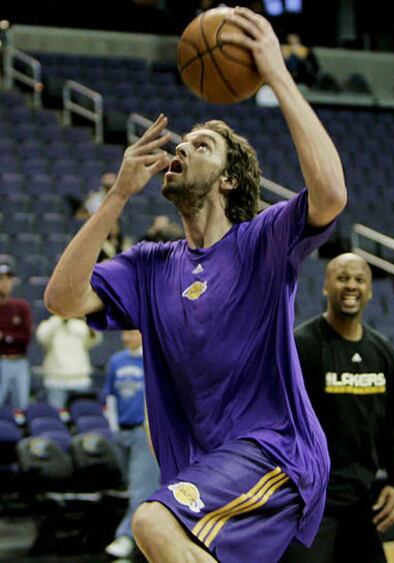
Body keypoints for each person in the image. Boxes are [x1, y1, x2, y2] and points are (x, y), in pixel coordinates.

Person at [44, 6, 347, 562]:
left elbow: (329, 194)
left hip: (275, 451)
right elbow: (62, 298)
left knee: (153, 522)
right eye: (182, 142)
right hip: (207, 467)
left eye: (201, 144)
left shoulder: (262, 239)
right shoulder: (150, 264)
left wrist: (277, 73)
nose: (181, 147)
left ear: (229, 179)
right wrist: (117, 198)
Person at [282, 253, 394, 563]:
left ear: (369, 290)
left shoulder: (383, 354)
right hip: (310, 504)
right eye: (342, 278)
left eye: (359, 279)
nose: (351, 285)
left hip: (360, 502)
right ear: (326, 287)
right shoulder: (302, 346)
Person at [103, 329, 160, 559]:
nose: (126, 337)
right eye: (124, 332)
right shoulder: (116, 361)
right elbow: (110, 396)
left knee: (140, 488)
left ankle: (125, 536)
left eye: (131, 332)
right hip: (122, 432)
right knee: (133, 487)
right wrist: (113, 426)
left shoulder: (154, 360)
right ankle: (146, 537)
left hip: (142, 432)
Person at [36, 315, 102, 408]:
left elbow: (95, 339)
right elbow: (41, 337)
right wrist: (59, 318)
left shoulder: (81, 325)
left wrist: (85, 321)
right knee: (56, 415)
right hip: (55, 380)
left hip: (79, 378)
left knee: (83, 412)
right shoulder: (49, 324)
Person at [0, 261, 32, 409]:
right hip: (1, 360)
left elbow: (26, 337)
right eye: (1, 279)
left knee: (21, 407)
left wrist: (5, 337)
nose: (5, 283)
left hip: (19, 361)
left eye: (8, 279)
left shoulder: (21, 306)